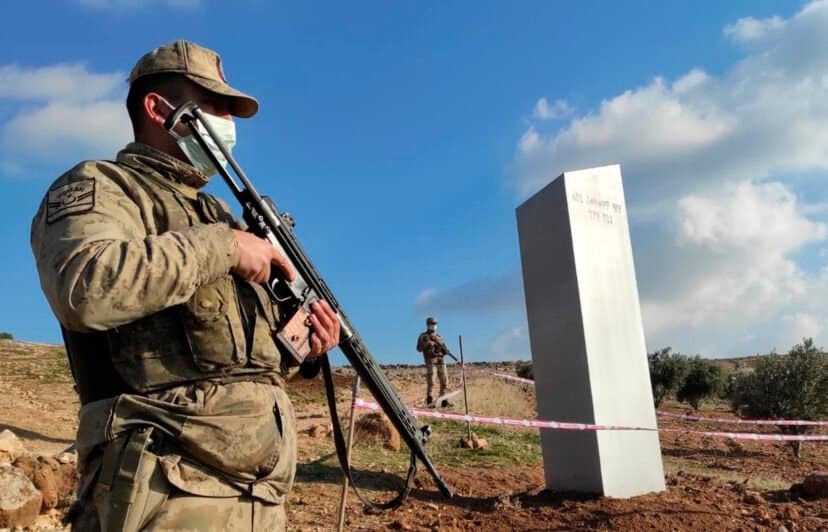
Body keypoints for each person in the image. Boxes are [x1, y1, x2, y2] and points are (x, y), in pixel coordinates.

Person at [30, 40, 340, 531]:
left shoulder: (217, 215)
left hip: (259, 497)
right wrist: (226, 249)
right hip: (164, 489)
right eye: (214, 106)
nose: (228, 124)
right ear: (158, 108)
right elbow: (84, 288)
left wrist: (306, 346)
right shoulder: (103, 186)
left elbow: (237, 357)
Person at [415, 316, 452, 407]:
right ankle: (429, 400)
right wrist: (427, 344)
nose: (434, 325)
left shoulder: (439, 337)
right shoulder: (423, 336)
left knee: (444, 381)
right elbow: (419, 348)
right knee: (432, 381)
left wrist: (446, 351)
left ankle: (444, 400)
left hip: (441, 360)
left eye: (435, 324)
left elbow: (444, 348)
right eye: (432, 324)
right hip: (431, 360)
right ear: (428, 325)